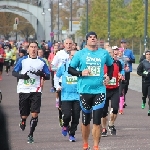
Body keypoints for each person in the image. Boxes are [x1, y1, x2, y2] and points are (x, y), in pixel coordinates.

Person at [68, 31, 113, 150]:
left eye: (94, 37)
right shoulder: (80, 54)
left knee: (97, 121)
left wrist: (109, 76)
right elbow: (70, 69)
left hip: (99, 90)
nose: (93, 39)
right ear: (86, 40)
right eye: (90, 37)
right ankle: (85, 144)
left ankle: (96, 146)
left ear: (97, 40)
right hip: (84, 91)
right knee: (86, 121)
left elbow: (111, 66)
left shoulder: (103, 53)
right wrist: (80, 73)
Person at [12, 41, 50, 143]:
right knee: (24, 114)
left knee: (35, 113)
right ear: (28, 49)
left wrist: (41, 74)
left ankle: (31, 135)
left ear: (37, 49)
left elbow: (48, 76)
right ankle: (23, 120)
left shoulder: (42, 62)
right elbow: (14, 72)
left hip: (35, 90)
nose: (33, 49)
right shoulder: (22, 60)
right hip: (23, 89)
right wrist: (22, 76)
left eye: (35, 47)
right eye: (31, 47)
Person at [54, 50, 80, 142]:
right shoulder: (64, 66)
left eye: (75, 56)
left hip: (77, 96)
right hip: (66, 95)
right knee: (67, 115)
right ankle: (65, 125)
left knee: (76, 117)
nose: (73, 57)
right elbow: (56, 77)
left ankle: (72, 134)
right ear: (69, 56)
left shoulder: (81, 67)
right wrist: (57, 86)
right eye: (72, 55)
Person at [52, 38, 73, 127]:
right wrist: (61, 70)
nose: (68, 45)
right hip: (61, 81)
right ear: (64, 44)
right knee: (62, 104)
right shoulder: (59, 54)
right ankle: (61, 115)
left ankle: (68, 117)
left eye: (70, 43)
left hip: (73, 82)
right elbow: (52, 66)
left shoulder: (76, 54)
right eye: (67, 43)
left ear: (72, 44)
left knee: (72, 104)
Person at [101, 46, 122, 137]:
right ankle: (104, 128)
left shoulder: (117, 63)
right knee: (104, 112)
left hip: (115, 89)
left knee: (115, 109)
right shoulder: (101, 64)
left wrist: (121, 76)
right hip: (104, 89)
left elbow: (120, 72)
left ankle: (111, 124)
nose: (110, 54)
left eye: (111, 52)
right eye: (108, 53)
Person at [120, 39, 135, 107]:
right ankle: (121, 100)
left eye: (124, 43)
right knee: (121, 86)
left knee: (125, 86)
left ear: (126, 44)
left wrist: (129, 60)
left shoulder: (129, 51)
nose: (123, 44)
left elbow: (134, 60)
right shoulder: (118, 50)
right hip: (120, 71)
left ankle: (123, 97)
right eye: (122, 43)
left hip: (127, 71)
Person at [137, 50, 150, 115]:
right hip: (145, 81)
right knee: (144, 94)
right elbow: (138, 72)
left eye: (149, 54)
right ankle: (144, 101)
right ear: (145, 55)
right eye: (147, 54)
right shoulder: (143, 63)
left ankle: (149, 110)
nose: (148, 55)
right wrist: (144, 74)